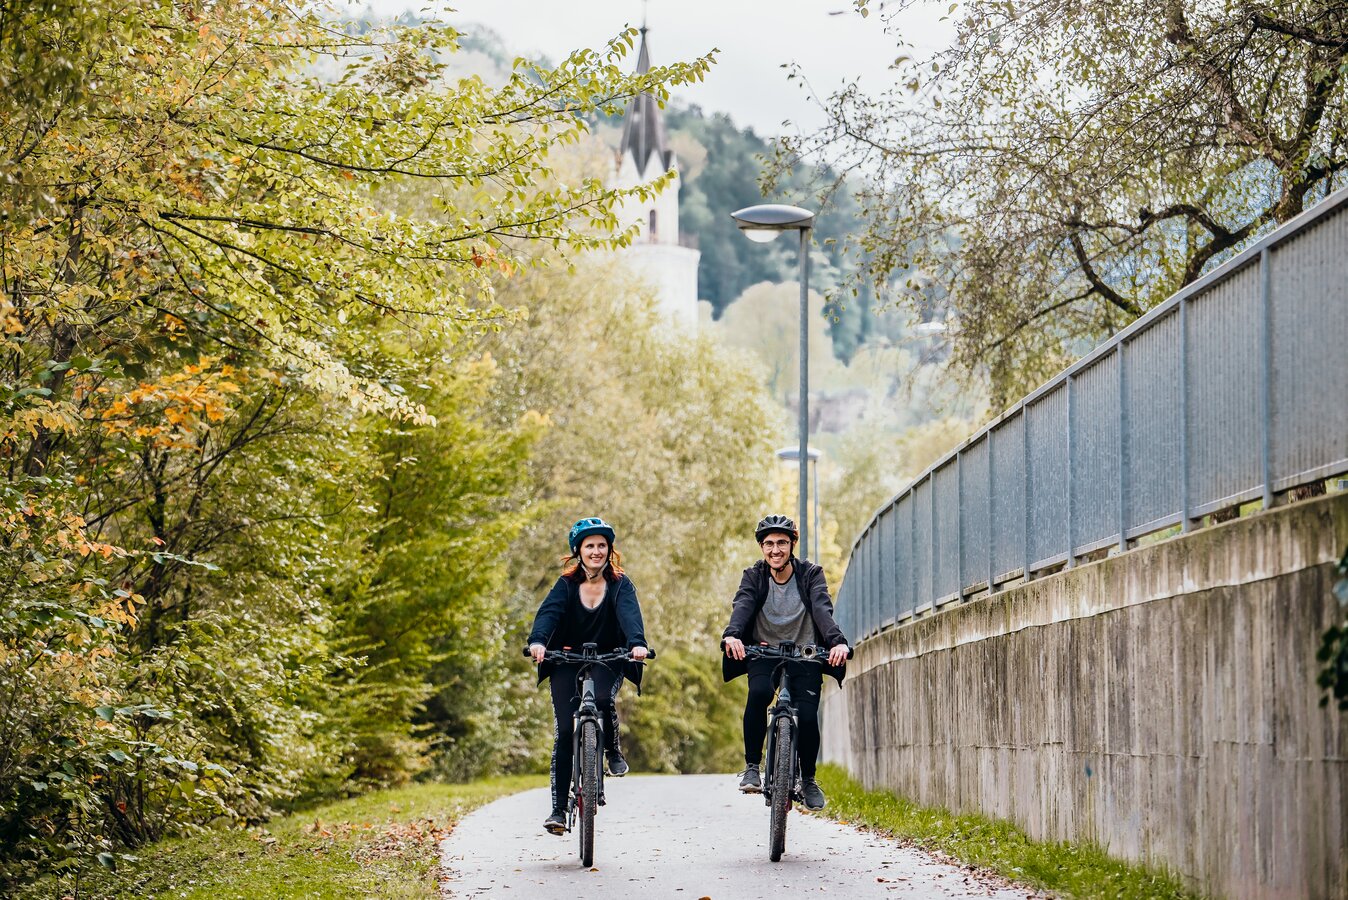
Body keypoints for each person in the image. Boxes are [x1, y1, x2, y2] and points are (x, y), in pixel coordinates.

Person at [526, 516, 648, 835]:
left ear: (610, 550)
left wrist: (637, 644)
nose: (596, 551)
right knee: (566, 731)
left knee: (603, 698)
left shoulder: (620, 584)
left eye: (602, 545)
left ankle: (611, 750)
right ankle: (558, 809)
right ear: (578, 551)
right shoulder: (566, 584)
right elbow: (548, 614)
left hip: (608, 657)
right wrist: (538, 642)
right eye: (590, 546)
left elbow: (630, 616)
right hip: (566, 658)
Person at [721, 513, 849, 811]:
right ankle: (752, 767)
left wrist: (836, 641)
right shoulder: (754, 576)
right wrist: (732, 635)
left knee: (808, 716)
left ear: (792, 545)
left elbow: (822, 608)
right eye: (769, 544)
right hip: (764, 652)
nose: (775, 549)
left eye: (781, 542)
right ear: (761, 547)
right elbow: (743, 605)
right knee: (759, 693)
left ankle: (809, 780)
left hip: (806, 654)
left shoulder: (810, 574)